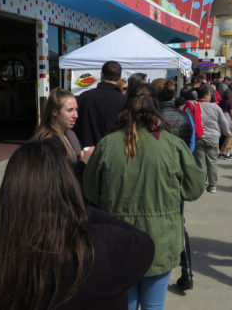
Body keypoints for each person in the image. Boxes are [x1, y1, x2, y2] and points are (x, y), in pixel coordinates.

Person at [0, 140, 155, 309]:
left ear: (9, 193)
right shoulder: (102, 247)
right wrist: (80, 208)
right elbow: (144, 242)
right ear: (68, 188)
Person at [83, 84, 205, 310]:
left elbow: (90, 191)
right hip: (161, 239)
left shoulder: (107, 144)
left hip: (118, 241)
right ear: (156, 109)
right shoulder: (172, 144)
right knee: (153, 306)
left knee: (124, 304)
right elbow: (194, 188)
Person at [151, 78, 195, 292]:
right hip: (177, 176)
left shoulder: (151, 119)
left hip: (156, 176)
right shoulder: (185, 117)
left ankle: (156, 265)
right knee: (179, 222)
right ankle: (186, 271)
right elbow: (191, 148)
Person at [32, 88, 95, 180]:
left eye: (76, 110)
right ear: (54, 112)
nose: (75, 115)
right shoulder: (49, 142)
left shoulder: (70, 133)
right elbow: (60, 180)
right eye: (70, 110)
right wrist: (83, 162)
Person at [74, 60, 126, 147]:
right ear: (120, 77)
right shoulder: (125, 101)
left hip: (87, 154)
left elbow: (75, 125)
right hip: (114, 153)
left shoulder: (84, 97)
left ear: (101, 74)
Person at [191, 85, 231, 193]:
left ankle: (202, 185)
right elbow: (224, 122)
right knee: (212, 161)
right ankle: (212, 185)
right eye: (210, 94)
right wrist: (227, 134)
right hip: (213, 138)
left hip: (198, 137)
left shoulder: (194, 106)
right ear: (206, 95)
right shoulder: (215, 107)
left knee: (200, 162)